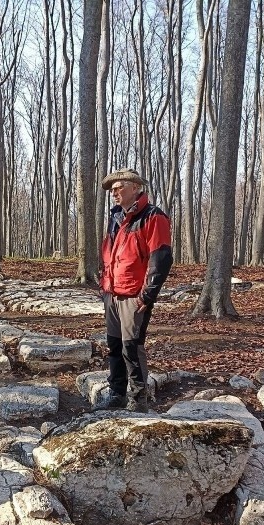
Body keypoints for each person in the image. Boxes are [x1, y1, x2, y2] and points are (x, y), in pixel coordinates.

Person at [99, 169, 173, 411]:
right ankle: (116, 393)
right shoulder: (116, 217)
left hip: (134, 295)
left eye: (118, 187)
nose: (113, 193)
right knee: (115, 345)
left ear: (135, 187)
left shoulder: (153, 217)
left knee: (132, 347)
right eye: (111, 190)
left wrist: (147, 294)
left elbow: (160, 259)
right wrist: (105, 287)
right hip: (112, 292)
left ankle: (138, 400)